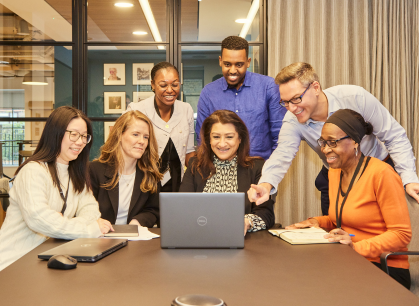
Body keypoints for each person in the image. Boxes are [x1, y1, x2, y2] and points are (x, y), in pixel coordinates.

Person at [248, 62, 419, 214]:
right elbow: (282, 154)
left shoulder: (354, 97)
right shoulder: (292, 121)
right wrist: (265, 184)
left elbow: (394, 136)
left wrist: (409, 178)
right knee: (334, 238)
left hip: (379, 170)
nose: (291, 108)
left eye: (296, 99)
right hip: (338, 178)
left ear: (315, 87)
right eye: (285, 102)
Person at [285, 109, 412, 289]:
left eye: (332, 143)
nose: (325, 149)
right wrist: (315, 222)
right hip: (348, 260)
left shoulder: (382, 174)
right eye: (323, 142)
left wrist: (356, 248)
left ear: (353, 141)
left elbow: (402, 234)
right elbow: (340, 219)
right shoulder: (335, 173)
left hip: (385, 268)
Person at [0, 106, 113, 278]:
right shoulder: (33, 171)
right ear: (55, 133)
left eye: (84, 136)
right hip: (9, 266)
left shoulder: (75, 173)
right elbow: (39, 220)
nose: (80, 142)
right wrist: (88, 229)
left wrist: (64, 224)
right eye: (74, 134)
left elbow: (91, 211)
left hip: (45, 262)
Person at [180, 110, 275, 235]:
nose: (222, 143)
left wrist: (247, 222)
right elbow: (182, 207)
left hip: (242, 242)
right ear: (209, 139)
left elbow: (266, 214)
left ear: (240, 138)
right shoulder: (195, 165)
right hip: (198, 236)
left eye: (229, 137)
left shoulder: (257, 167)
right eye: (216, 137)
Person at [195, 36, 286, 160]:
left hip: (260, 169)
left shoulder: (268, 87)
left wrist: (272, 171)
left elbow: (280, 135)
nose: (232, 70)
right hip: (220, 171)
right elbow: (202, 138)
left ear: (248, 62)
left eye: (239, 64)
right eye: (227, 64)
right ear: (220, 61)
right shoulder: (208, 93)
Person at [126, 62, 196, 192]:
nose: (170, 90)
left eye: (175, 85)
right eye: (163, 85)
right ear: (153, 84)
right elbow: (124, 148)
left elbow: (189, 152)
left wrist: (198, 176)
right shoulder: (136, 110)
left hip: (176, 181)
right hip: (145, 180)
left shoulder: (186, 109)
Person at [89, 111, 162, 227]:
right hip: (100, 239)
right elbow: (84, 210)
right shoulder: (94, 170)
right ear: (119, 136)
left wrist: (136, 223)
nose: (142, 141)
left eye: (146, 137)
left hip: (136, 240)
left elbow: (153, 210)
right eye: (135, 134)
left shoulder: (150, 174)